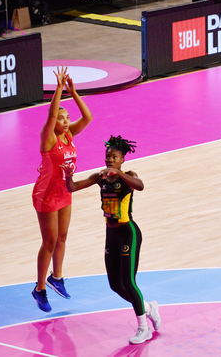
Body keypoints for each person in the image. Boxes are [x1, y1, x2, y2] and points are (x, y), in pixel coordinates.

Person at [63, 135, 162, 344]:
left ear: (122, 160)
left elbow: (140, 185)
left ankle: (143, 328)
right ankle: (150, 308)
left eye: (114, 157)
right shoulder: (100, 178)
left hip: (128, 232)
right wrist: (67, 175)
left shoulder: (127, 176)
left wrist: (119, 173)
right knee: (115, 285)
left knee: (128, 281)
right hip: (111, 235)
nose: (110, 160)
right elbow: (72, 187)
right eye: (108, 157)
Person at [31, 67, 93, 312]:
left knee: (63, 237)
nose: (66, 122)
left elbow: (88, 118)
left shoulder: (69, 135)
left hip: (65, 191)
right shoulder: (48, 137)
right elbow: (50, 114)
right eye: (62, 118)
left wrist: (74, 93)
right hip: (46, 193)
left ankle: (56, 278)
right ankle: (39, 289)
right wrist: (58, 89)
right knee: (49, 241)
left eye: (67, 119)